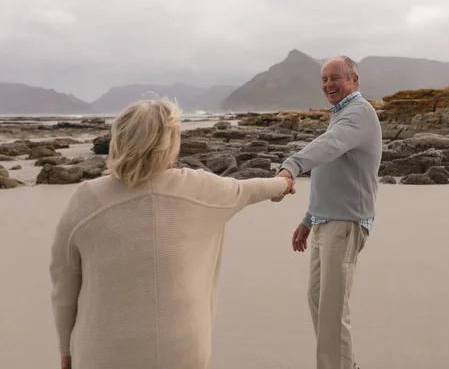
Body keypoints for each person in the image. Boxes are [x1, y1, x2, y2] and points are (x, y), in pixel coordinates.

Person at [49, 98, 295, 369]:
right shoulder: (200, 188)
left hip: (104, 354)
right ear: (169, 142)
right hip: (184, 351)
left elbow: (63, 286)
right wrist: (283, 183)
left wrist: (64, 351)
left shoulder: (86, 200)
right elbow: (250, 189)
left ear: (118, 138)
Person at [275, 56, 382, 369]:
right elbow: (331, 170)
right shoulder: (342, 114)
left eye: (335, 78)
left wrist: (291, 166)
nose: (328, 85)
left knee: (332, 309)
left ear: (353, 79)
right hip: (326, 221)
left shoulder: (358, 113)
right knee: (320, 301)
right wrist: (309, 219)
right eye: (323, 80)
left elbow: (327, 146)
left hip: (345, 222)